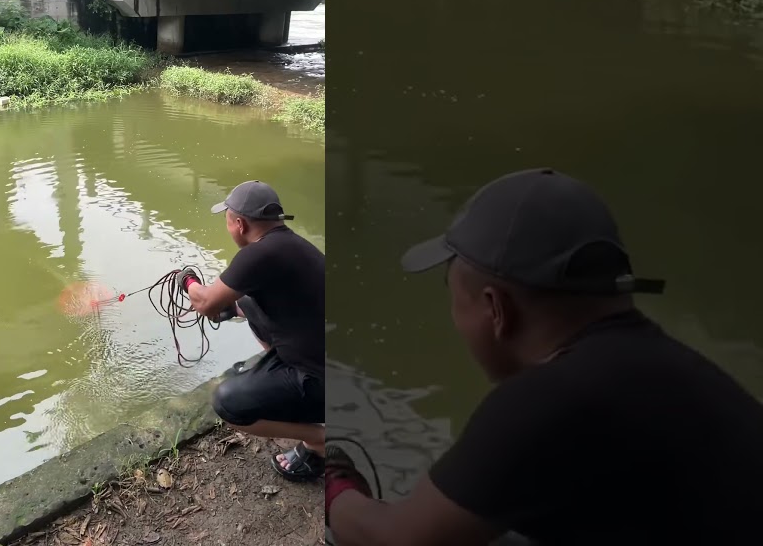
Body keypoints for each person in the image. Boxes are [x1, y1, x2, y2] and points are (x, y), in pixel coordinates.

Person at [325, 168, 763, 545]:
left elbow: (397, 539)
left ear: (496, 309)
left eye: (454, 298)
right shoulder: (674, 369)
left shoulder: (550, 400)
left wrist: (336, 487)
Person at [178, 180, 326, 480]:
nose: (228, 226)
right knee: (244, 301)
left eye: (227, 220)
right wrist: (232, 307)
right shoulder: (293, 245)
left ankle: (322, 441)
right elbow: (245, 301)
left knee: (229, 404)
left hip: (322, 380)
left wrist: (187, 282)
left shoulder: (256, 255)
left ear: (240, 224)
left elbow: (205, 303)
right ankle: (282, 377)